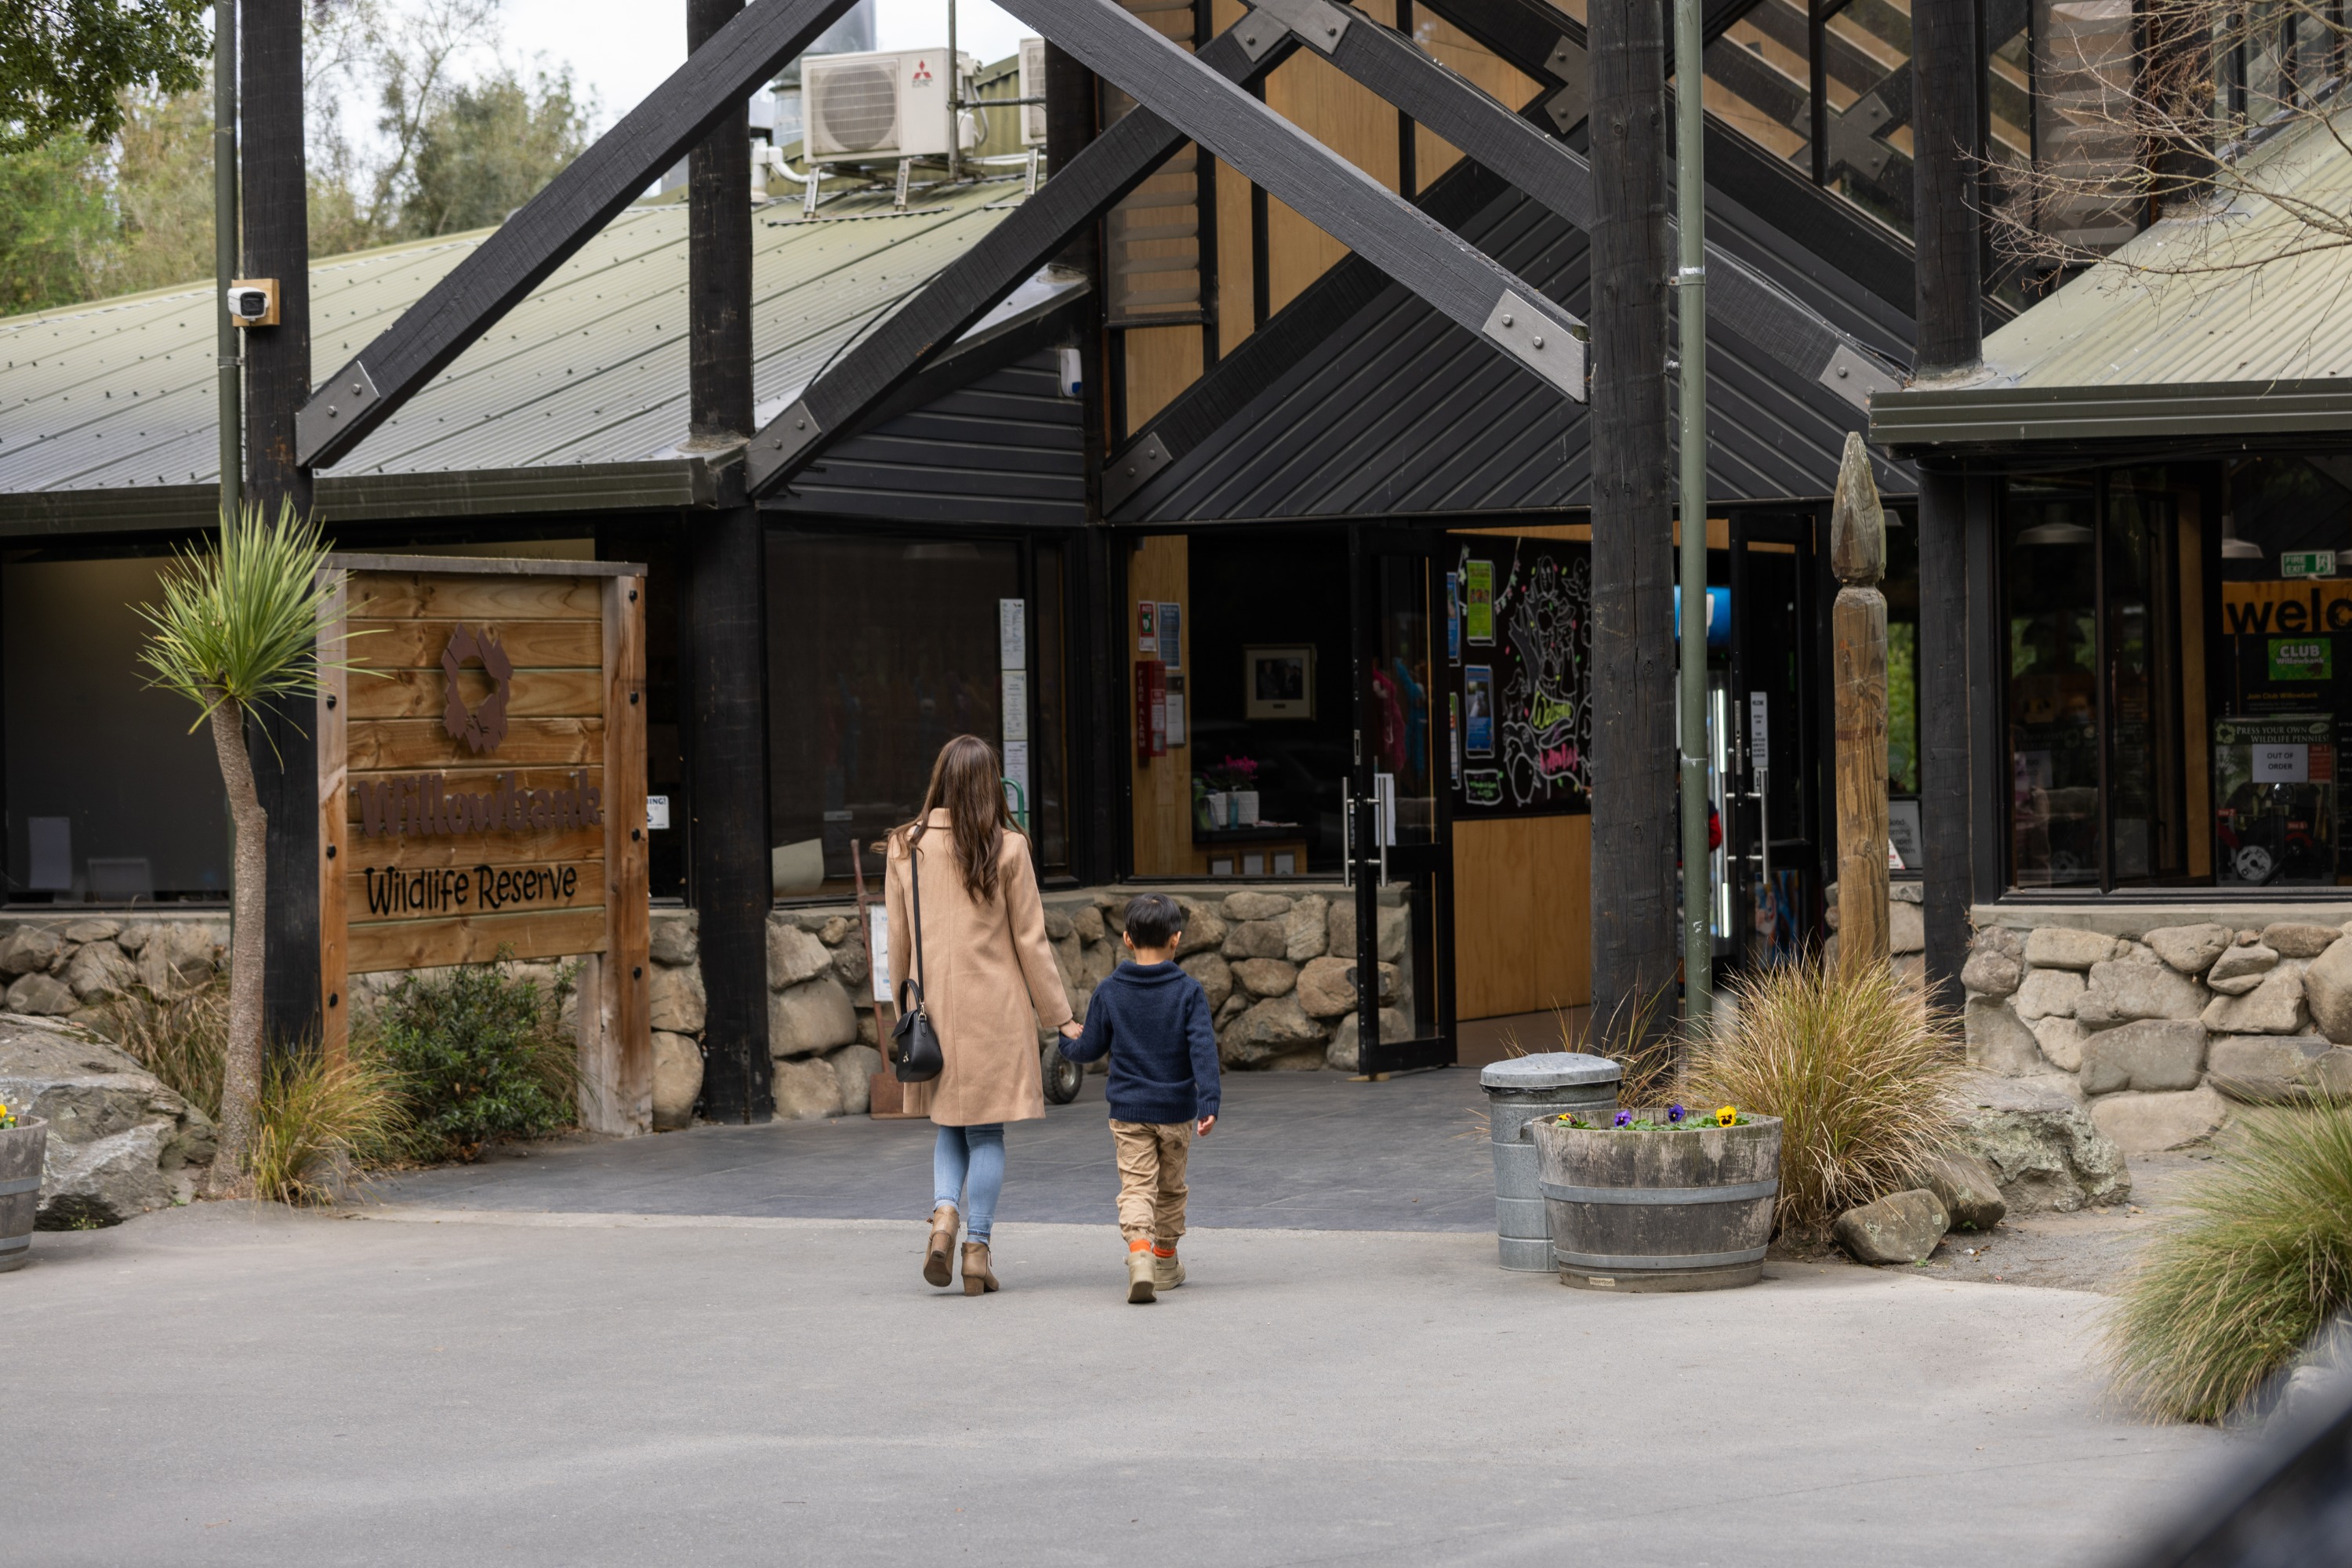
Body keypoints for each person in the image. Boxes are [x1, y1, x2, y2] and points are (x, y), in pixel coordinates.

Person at [885, 734, 1083, 1297]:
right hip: (996, 1009)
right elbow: (1032, 943)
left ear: (941, 780)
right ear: (991, 784)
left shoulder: (905, 847)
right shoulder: (1010, 848)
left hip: (934, 1007)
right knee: (987, 1129)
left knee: (949, 1121)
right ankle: (977, 1249)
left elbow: (897, 943)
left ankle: (942, 1217)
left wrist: (903, 1010)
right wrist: (1060, 1017)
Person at [1058, 892, 1221, 1305]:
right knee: (1170, 1188)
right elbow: (1203, 1049)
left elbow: (1090, 1047)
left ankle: (1140, 1255)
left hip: (1129, 1113)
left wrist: (1066, 1042)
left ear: (1127, 939)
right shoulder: (1189, 991)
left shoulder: (1110, 990)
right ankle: (1166, 1261)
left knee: (1136, 1188)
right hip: (1176, 1112)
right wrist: (1210, 1102)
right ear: (1176, 939)